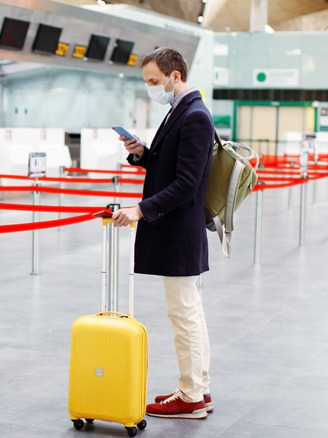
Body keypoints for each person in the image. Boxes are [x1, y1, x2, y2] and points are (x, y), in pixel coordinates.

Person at [111, 47, 214, 419]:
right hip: (178, 230)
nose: (152, 88)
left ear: (176, 75)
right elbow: (170, 167)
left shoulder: (195, 116)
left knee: (183, 314)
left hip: (179, 232)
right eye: (147, 83)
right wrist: (141, 153)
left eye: (155, 81)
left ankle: (190, 397)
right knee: (190, 313)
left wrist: (140, 210)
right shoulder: (181, 112)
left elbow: (186, 183)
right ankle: (199, 389)